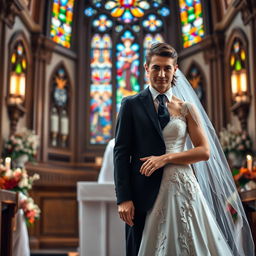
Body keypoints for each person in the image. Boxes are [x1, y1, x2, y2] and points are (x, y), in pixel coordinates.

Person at [114, 42, 254, 256]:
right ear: (146, 68)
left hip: (182, 187)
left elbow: (204, 151)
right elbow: (121, 154)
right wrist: (124, 198)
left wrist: (165, 158)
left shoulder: (186, 108)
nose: (161, 74)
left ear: (175, 69)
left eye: (167, 68)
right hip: (143, 193)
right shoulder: (130, 104)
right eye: (156, 67)